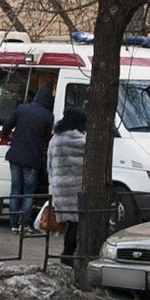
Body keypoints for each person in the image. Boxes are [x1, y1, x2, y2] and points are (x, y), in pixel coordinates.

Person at [1, 86, 55, 233]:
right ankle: (24, 225)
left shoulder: (21, 109)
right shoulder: (48, 115)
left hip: (15, 156)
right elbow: (46, 138)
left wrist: (6, 137)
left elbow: (6, 126)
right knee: (28, 193)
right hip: (32, 159)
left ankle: (13, 225)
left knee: (15, 190)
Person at [47, 107, 86, 265]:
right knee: (76, 222)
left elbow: (49, 165)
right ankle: (68, 255)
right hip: (74, 186)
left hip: (59, 186)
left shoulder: (55, 138)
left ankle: (68, 254)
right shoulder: (78, 140)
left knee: (72, 222)